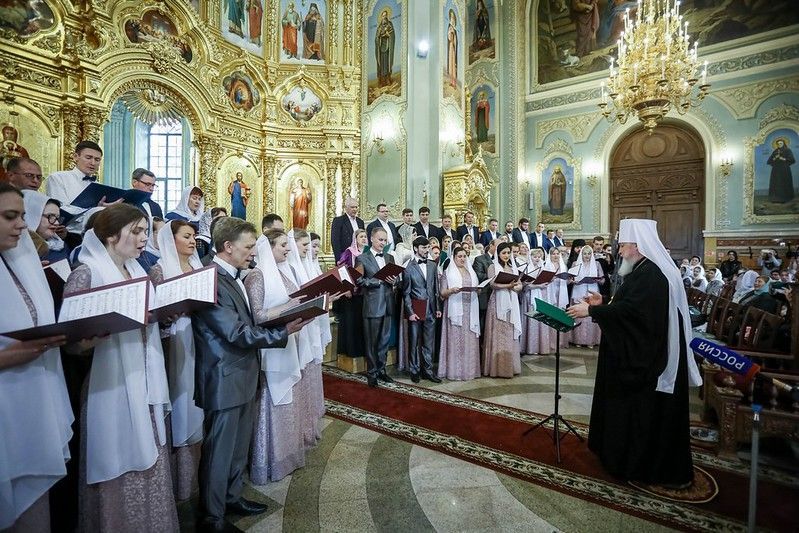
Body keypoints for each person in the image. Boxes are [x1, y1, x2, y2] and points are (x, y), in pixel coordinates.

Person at [62, 204, 178, 531]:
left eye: (145, 231)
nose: (144, 238)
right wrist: (90, 338)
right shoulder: (86, 273)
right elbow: (70, 342)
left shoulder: (137, 271)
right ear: (112, 235)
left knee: (149, 452)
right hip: (109, 384)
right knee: (116, 456)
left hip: (143, 377)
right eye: (136, 231)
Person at [566, 218, 702, 487]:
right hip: (641, 352)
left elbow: (635, 314)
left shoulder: (652, 275)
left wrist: (592, 311)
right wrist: (603, 302)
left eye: (623, 245)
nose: (619, 251)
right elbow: (629, 305)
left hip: (648, 362)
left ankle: (636, 463)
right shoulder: (643, 270)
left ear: (638, 246)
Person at [191, 216, 306, 531]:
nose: (254, 253)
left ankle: (231, 497)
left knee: (238, 446)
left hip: (242, 373)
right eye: (248, 246)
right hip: (224, 376)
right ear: (228, 247)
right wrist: (281, 333)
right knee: (218, 451)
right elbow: (235, 332)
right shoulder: (210, 279)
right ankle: (211, 517)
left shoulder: (233, 275)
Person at [0, 183, 73, 531]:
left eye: (20, 216)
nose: (20, 225)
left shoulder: (19, 258)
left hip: (31, 393)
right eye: (9, 217)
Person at [243, 229, 307, 483]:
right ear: (268, 248)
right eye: (282, 245)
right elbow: (258, 316)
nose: (287, 249)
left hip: (287, 340)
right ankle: (266, 460)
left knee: (287, 401)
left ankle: (285, 455)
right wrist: (291, 307)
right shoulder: (257, 276)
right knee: (271, 400)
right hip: (270, 347)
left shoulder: (281, 272)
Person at [148, 220, 204, 501]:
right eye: (187, 236)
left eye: (194, 236)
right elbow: (153, 314)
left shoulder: (198, 268)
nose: (193, 241)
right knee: (180, 400)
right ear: (171, 240)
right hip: (173, 343)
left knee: (198, 400)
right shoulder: (158, 270)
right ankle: (179, 479)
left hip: (199, 339)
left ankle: (196, 475)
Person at [45, 141, 118, 242]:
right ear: (75, 157)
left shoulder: (99, 186)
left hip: (95, 237)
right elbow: (61, 210)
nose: (93, 163)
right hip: (67, 236)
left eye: (97, 160)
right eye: (88, 157)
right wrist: (96, 210)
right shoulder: (58, 178)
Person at [355, 227, 399, 387]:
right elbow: (359, 281)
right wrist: (378, 281)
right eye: (380, 240)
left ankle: (382, 370)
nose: (383, 243)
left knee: (384, 341)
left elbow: (396, 278)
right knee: (372, 342)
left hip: (388, 304)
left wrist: (394, 281)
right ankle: (372, 372)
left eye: (385, 240)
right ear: (371, 239)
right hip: (372, 305)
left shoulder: (389, 257)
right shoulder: (362, 258)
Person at [402, 237, 442, 383]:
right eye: (424, 248)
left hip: (431, 309)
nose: (427, 250)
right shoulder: (408, 267)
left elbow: (435, 288)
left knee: (429, 342)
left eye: (428, 248)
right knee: (414, 341)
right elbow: (405, 293)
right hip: (416, 309)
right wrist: (410, 312)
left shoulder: (432, 265)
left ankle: (428, 371)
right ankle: (414, 370)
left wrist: (437, 307)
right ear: (415, 248)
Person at [438, 246, 481, 381]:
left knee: (469, 340)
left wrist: (478, 290)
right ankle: (454, 371)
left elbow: (477, 288)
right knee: (456, 340)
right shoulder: (448, 272)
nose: (462, 259)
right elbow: (442, 293)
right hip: (455, 310)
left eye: (464, 256)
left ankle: (469, 370)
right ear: (454, 257)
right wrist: (451, 290)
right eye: (459, 256)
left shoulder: (471, 272)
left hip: (470, 310)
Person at [483, 242, 522, 377]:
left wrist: (516, 287)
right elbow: (492, 284)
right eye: (503, 253)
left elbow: (519, 285)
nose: (506, 255)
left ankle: (510, 367)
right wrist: (507, 286)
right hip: (497, 302)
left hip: (512, 301)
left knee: (510, 333)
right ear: (498, 254)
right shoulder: (493, 266)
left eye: (508, 253)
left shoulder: (513, 267)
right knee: (498, 333)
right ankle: (496, 368)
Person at [335, 229, 367, 359]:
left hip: (364, 292)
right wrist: (347, 288)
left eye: (365, 236)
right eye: (361, 237)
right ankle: (351, 351)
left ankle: (362, 350)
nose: (364, 239)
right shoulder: (349, 252)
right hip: (351, 292)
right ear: (355, 239)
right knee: (351, 322)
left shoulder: (368, 253)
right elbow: (341, 271)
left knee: (362, 323)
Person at [568, 245, 603, 347]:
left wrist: (598, 279)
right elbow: (569, 279)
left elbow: (603, 280)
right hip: (579, 291)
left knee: (590, 315)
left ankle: (590, 341)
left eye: (589, 253)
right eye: (585, 253)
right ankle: (577, 340)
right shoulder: (575, 263)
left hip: (592, 292)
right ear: (581, 254)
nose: (587, 256)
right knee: (578, 315)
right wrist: (573, 281)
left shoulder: (597, 264)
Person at [22, 190, 70, 263]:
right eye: (50, 216)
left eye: (57, 218)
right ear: (31, 216)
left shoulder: (60, 244)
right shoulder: (20, 250)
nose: (56, 223)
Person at [519, 246, 550, 355]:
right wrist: (537, 285)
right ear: (530, 257)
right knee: (530, 320)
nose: (537, 259)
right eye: (534, 256)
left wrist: (545, 283)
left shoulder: (542, 268)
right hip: (529, 296)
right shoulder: (526, 268)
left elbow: (546, 282)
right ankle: (530, 347)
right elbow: (524, 286)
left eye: (538, 256)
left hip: (539, 296)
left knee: (540, 320)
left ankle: (540, 346)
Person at [541, 246, 570, 351]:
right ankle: (551, 343)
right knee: (552, 316)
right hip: (551, 290)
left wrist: (569, 280)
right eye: (553, 254)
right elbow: (543, 281)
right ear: (550, 255)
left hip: (561, 291)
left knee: (561, 315)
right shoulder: (546, 266)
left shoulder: (563, 265)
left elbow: (566, 281)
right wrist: (551, 278)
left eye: (557, 254)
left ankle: (561, 342)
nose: (556, 255)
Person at [330, 197, 364, 262]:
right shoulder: (338, 221)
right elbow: (335, 241)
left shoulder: (360, 222)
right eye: (352, 207)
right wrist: (339, 259)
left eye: (356, 207)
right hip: (345, 257)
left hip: (359, 257)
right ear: (346, 208)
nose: (355, 209)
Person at [767, 137, 795, 203]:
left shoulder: (788, 150)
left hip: (785, 169)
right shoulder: (775, 151)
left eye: (781, 143)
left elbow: (792, 160)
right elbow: (768, 161)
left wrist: (784, 159)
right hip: (776, 170)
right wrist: (774, 158)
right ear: (776, 144)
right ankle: (776, 198)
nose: (779, 144)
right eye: (778, 143)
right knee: (776, 183)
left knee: (784, 182)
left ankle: (786, 198)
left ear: (784, 143)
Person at [375, 8, 395, 87]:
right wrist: (381, 36)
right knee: (382, 63)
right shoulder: (379, 27)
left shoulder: (390, 24)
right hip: (381, 47)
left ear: (387, 16)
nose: (384, 17)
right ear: (381, 17)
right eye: (383, 16)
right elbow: (376, 38)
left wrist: (389, 35)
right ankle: (382, 79)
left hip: (387, 46)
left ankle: (387, 78)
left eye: (385, 15)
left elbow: (392, 34)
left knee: (387, 62)